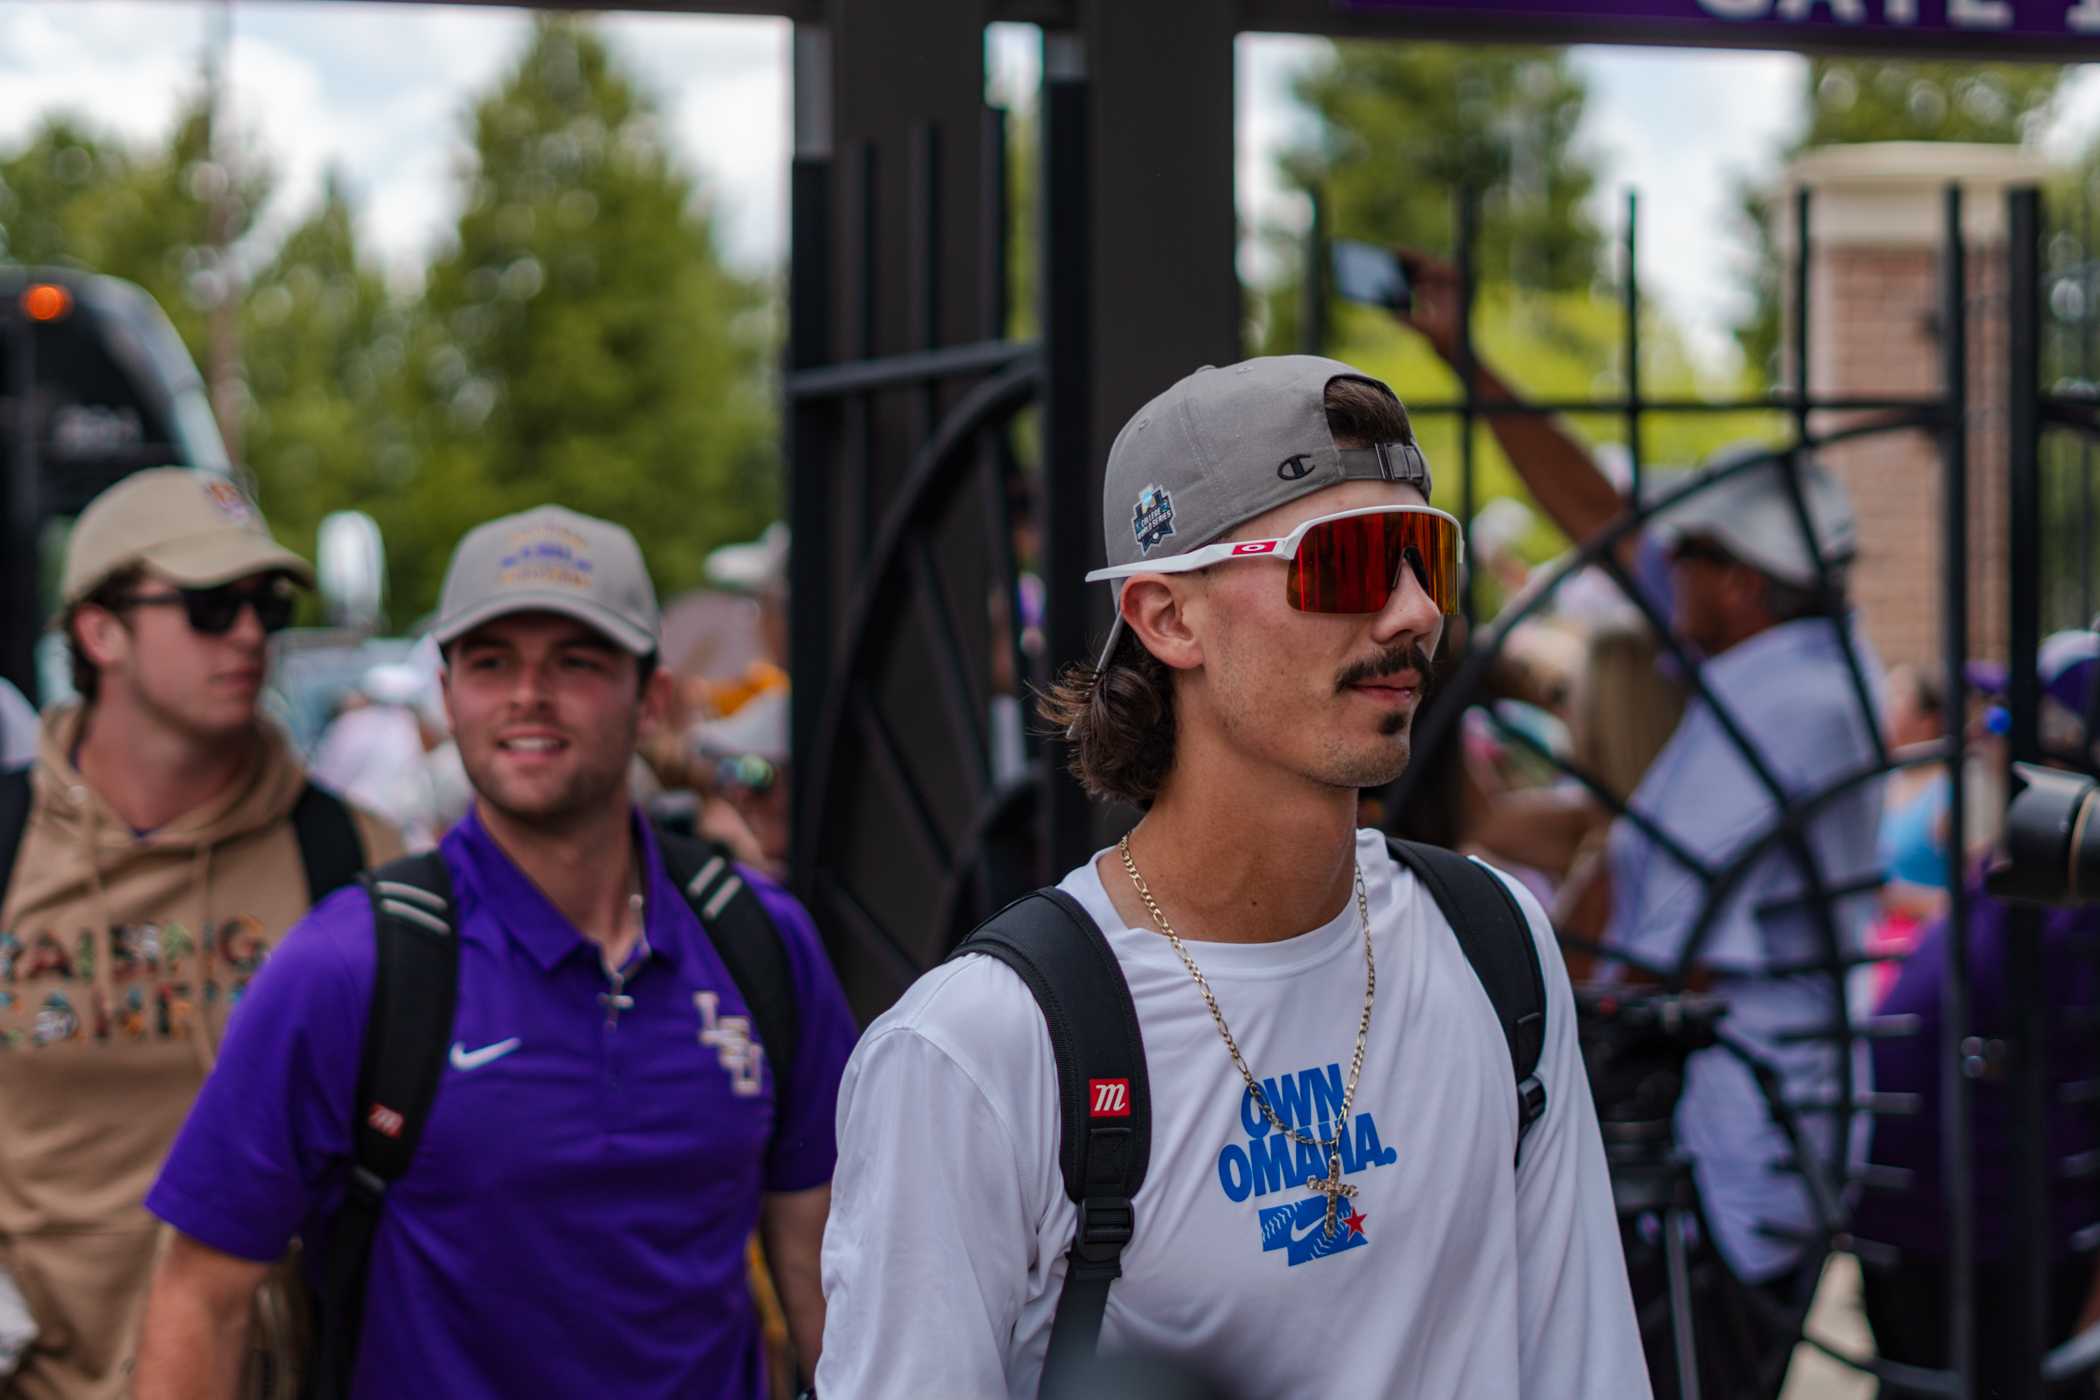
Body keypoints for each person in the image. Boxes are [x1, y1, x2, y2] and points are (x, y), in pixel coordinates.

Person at [816, 356, 1648, 1397]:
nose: (1413, 613)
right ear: (1168, 618)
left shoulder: (1493, 944)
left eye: (1427, 555)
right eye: (1344, 563)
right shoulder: (982, 1049)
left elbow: (1585, 1363)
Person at [134, 505, 859, 1399]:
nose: (528, 694)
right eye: (490, 663)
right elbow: (199, 1298)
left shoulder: (759, 940)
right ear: (448, 697)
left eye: (577, 662)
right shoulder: (350, 964)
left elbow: (831, 1286)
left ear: (654, 698)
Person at [0, 467, 402, 1399]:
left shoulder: (348, 854)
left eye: (265, 602)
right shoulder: (8, 841)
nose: (253, 633)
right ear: (100, 632)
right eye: (211, 607)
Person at [1575, 451, 1884, 1397]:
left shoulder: (1785, 702)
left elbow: (1665, 955)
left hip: (1728, 1136)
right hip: (1772, 1117)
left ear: (1742, 579)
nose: (1667, 569)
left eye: (1687, 554)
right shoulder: (1808, 673)